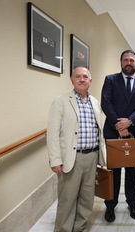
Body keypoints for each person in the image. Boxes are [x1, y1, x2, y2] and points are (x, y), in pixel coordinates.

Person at [47, 67, 106, 232]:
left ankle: (79, 227)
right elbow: (52, 133)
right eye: (78, 76)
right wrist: (55, 159)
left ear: (90, 81)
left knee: (87, 199)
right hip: (72, 158)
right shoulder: (61, 101)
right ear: (72, 80)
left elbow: (99, 131)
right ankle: (64, 229)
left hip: (92, 156)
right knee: (67, 199)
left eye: (85, 77)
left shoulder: (95, 102)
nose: (82, 79)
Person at [101, 50, 135, 223]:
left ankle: (132, 203)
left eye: (132, 60)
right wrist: (118, 124)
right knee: (113, 171)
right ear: (121, 62)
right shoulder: (110, 79)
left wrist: (129, 122)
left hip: (134, 132)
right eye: (125, 60)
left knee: (132, 171)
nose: (128, 62)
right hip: (113, 133)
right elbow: (105, 103)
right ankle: (110, 205)